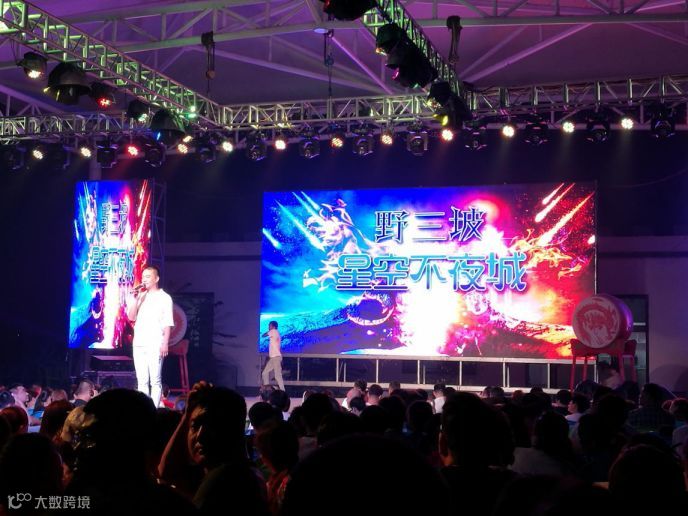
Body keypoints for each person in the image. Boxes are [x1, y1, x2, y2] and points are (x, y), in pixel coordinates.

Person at [127, 265, 174, 408]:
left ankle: (154, 410)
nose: (144, 279)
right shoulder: (141, 296)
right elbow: (131, 317)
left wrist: (165, 343)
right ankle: (143, 409)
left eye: (148, 277)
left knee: (155, 380)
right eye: (143, 277)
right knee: (142, 381)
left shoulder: (164, 298)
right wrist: (135, 298)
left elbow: (168, 323)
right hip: (139, 343)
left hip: (155, 343)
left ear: (156, 279)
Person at [261, 321, 284, 391]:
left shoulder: (273, 331)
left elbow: (263, 335)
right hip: (274, 358)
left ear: (273, 326)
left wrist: (269, 331)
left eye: (269, 325)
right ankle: (267, 389)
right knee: (264, 373)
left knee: (278, 376)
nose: (268, 327)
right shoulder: (276, 332)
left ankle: (283, 391)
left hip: (276, 357)